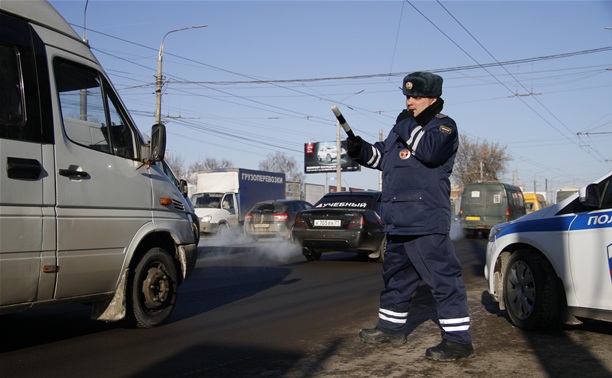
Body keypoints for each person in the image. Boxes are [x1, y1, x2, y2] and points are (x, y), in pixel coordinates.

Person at [346, 71, 474, 361]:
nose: (409, 101)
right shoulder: (403, 129)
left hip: (425, 220)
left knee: (443, 280)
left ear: (433, 99)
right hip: (398, 220)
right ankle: (391, 329)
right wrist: (360, 150)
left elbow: (428, 152)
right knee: (396, 279)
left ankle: (458, 341)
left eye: (415, 96)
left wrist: (405, 124)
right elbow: (383, 159)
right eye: (407, 95)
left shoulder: (443, 128)